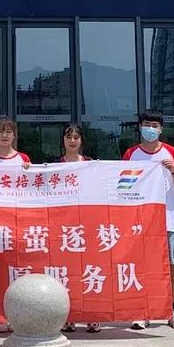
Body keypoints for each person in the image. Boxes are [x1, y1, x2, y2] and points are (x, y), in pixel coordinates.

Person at [121, 109, 174, 331]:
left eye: (154, 125)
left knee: (170, 264)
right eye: (146, 124)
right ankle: (143, 309)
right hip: (139, 220)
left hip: (166, 218)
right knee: (142, 265)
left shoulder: (170, 152)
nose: (150, 129)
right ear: (140, 127)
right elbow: (122, 185)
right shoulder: (132, 154)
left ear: (161, 129)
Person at [0, 116, 30, 333]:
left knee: (18, 271)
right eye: (1, 131)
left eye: (9, 131)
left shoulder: (24, 159)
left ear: (14, 135)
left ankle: (18, 316)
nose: (4, 135)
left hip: (18, 224)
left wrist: (31, 170)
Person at [57, 123, 99, 334]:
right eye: (69, 137)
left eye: (76, 137)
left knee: (89, 271)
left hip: (87, 225)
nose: (72, 141)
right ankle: (69, 316)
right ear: (63, 140)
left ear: (81, 140)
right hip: (64, 228)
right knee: (67, 274)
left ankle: (92, 315)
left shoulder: (91, 164)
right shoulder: (55, 165)